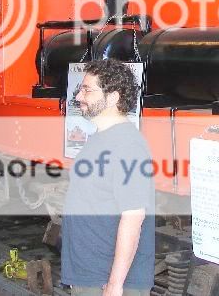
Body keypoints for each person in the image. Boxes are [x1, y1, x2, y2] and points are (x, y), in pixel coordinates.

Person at [62, 59, 155, 296]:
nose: (79, 97)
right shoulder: (100, 137)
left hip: (106, 281)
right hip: (90, 273)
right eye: (81, 88)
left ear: (112, 98)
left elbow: (133, 217)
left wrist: (115, 285)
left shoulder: (127, 145)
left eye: (87, 90)